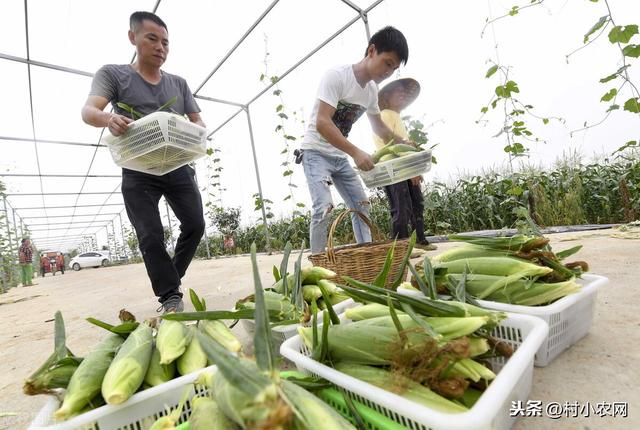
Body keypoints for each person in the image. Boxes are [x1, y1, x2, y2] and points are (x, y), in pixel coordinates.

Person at [81, 11, 205, 313]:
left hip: (176, 163)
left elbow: (197, 122)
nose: (160, 47)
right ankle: (170, 296)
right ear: (133, 38)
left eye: (165, 42)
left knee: (195, 224)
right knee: (150, 233)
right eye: (152, 38)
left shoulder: (178, 84)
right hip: (137, 166)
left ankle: (171, 278)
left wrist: (192, 133)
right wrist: (109, 118)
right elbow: (89, 111)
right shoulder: (114, 74)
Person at [300, 26, 414, 253]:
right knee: (323, 206)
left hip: (338, 155)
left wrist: (402, 142)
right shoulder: (337, 76)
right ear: (372, 51)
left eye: (393, 68)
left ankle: (365, 256)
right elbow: (322, 123)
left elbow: (379, 127)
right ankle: (318, 265)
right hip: (315, 152)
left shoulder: (371, 91)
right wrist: (355, 152)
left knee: (362, 205)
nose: (388, 72)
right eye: (387, 63)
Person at [373, 78, 437, 250]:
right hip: (394, 168)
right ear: (386, 96)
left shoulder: (396, 116)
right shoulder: (385, 114)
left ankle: (419, 240)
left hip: (405, 167)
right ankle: (401, 248)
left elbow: (404, 146)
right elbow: (393, 144)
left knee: (417, 203)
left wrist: (415, 168)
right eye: (398, 92)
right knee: (402, 208)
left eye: (404, 92)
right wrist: (412, 169)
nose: (402, 94)